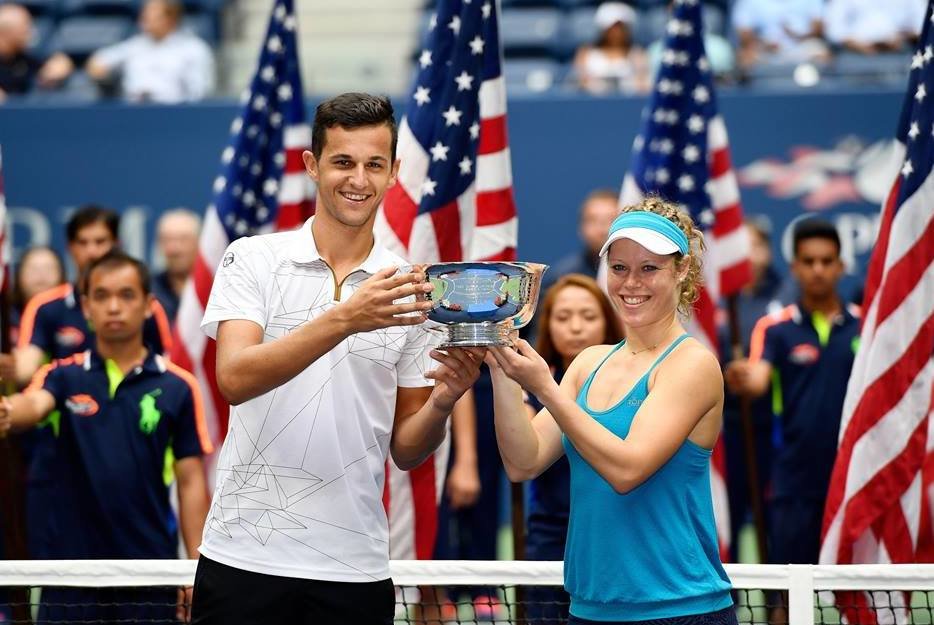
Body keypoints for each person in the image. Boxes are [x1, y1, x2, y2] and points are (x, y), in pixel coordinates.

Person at [189, 92, 485, 625]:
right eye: (343, 162)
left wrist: (443, 402)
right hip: (243, 556)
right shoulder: (252, 256)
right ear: (311, 166)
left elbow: (407, 451)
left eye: (375, 165)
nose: (359, 180)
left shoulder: (410, 289)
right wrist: (347, 317)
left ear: (395, 172)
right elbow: (233, 378)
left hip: (355, 567)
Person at [485, 197, 734, 623]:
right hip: (589, 609)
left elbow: (627, 470)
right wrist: (500, 366)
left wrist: (545, 386)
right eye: (619, 268)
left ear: (681, 272)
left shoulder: (692, 363)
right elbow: (522, 462)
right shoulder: (587, 363)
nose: (630, 283)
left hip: (680, 609)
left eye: (649, 268)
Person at [0, 250, 212, 624]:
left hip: (150, 571)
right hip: (69, 572)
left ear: (148, 306)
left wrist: (194, 570)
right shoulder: (62, 376)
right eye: (101, 296)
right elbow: (30, 406)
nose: (114, 306)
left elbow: (191, 481)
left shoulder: (179, 386)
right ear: (86, 307)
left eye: (127, 295)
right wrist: (7, 412)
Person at [725, 219, 858, 571]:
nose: (818, 270)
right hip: (793, 479)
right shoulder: (776, 329)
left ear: (841, 266)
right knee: (789, 591)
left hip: (853, 475)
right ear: (795, 266)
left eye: (827, 261)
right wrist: (741, 377)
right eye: (809, 261)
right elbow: (758, 380)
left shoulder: (866, 325)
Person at [523, 273, 624, 625]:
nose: (576, 327)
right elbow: (523, 456)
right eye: (563, 317)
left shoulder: (629, 383)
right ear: (547, 325)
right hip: (550, 533)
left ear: (608, 322)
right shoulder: (532, 383)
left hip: (614, 530)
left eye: (589, 316)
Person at [11, 204, 173, 388]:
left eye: (100, 241)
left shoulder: (145, 306)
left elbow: (166, 366)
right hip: (65, 410)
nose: (92, 252)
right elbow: (25, 366)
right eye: (83, 242)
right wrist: (11, 369)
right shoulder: (45, 306)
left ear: (116, 244)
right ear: (70, 247)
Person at [717, 219, 785, 562]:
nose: (747, 254)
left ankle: (777, 606)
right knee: (725, 516)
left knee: (772, 520)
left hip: (770, 431)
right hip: (722, 430)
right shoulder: (712, 300)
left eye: (755, 244)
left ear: (767, 251)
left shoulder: (784, 297)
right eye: (739, 245)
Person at [85, 0, 214, 103]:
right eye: (144, 16)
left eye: (152, 16)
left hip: (173, 115)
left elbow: (198, 93)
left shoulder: (194, 48)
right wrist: (97, 67)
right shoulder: (134, 45)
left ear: (171, 19)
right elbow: (100, 60)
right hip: (132, 114)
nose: (145, 21)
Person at [0, 3, 73, 102]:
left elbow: (57, 63)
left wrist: (61, 64)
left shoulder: (22, 58)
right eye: (25, 27)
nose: (31, 32)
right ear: (6, 32)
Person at [574, 2, 650, 95]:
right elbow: (580, 82)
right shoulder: (585, 53)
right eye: (613, 27)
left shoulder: (638, 54)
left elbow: (643, 83)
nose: (617, 32)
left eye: (621, 27)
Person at [731, 0, 829, 71]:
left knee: (822, 54)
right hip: (766, 49)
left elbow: (819, 28)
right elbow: (744, 34)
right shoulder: (748, 2)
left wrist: (798, 36)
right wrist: (764, 43)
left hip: (802, 46)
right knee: (746, 57)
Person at [152, 208, 201, 324]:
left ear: (199, 242)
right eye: (167, 240)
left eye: (183, 240)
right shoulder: (148, 290)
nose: (174, 249)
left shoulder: (216, 289)